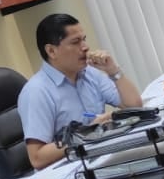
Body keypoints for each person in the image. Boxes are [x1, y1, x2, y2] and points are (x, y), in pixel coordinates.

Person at [18, 13, 142, 169]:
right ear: (51, 51)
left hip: (100, 158)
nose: (85, 47)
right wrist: (88, 132)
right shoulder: (36, 92)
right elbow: (37, 158)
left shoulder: (89, 73)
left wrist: (113, 71)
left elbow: (134, 106)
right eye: (75, 42)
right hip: (70, 171)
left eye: (84, 39)